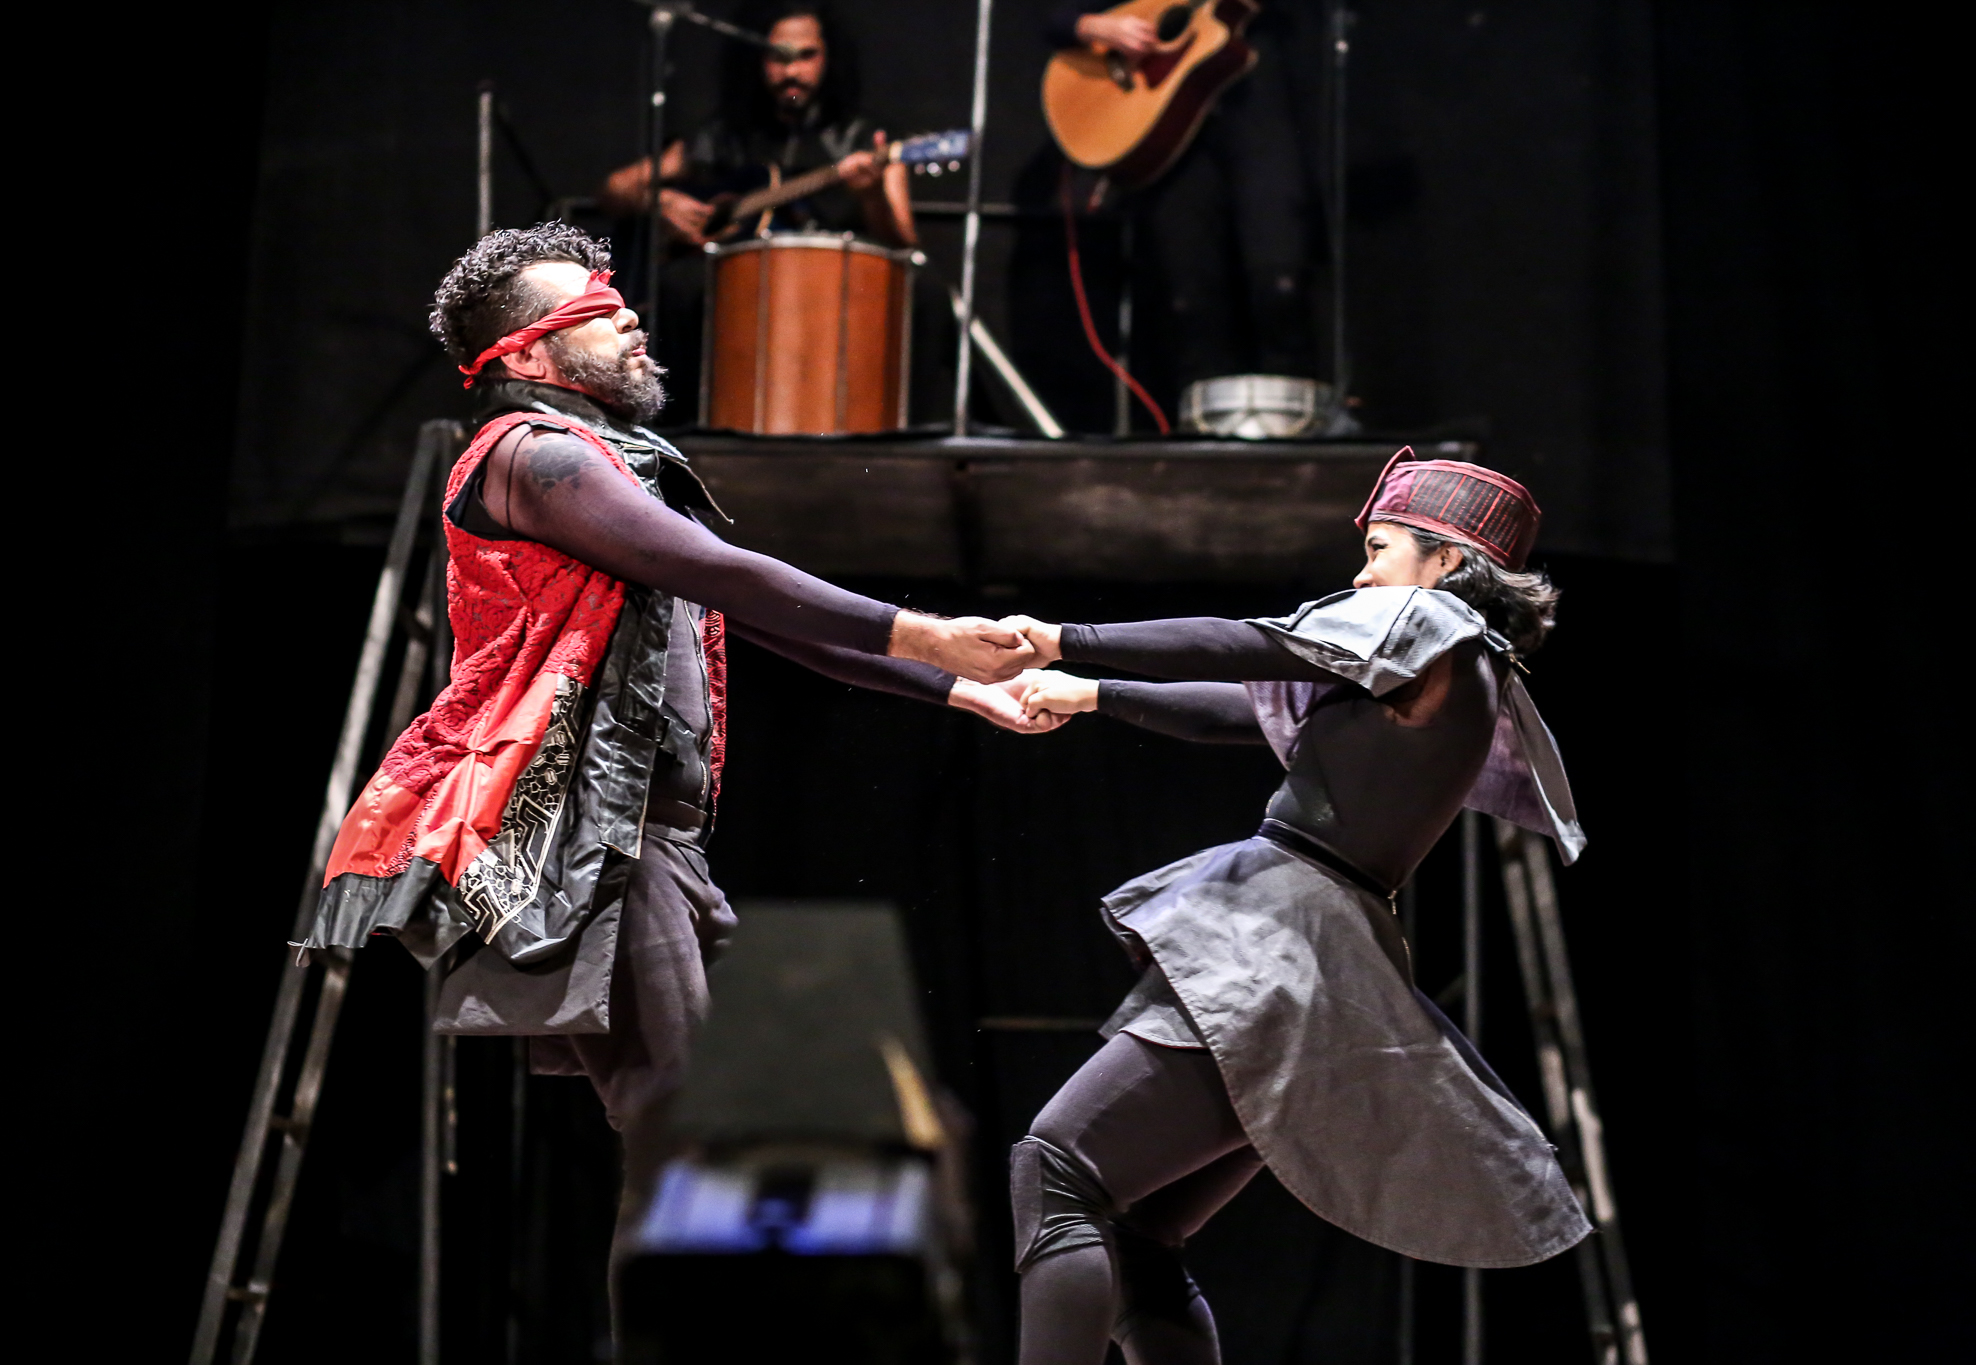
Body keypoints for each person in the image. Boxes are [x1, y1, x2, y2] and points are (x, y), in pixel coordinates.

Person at [301, 223, 1036, 1217]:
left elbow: (755, 611)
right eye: (595, 310)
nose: (629, 317)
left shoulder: (609, 463)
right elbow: (720, 569)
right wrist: (926, 634)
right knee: (684, 1134)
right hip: (602, 843)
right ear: (527, 357)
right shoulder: (526, 456)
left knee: (723, 1126)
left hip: (661, 846)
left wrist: (950, 685)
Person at [974, 451, 1590, 1363]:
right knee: (1141, 1237)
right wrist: (1095, 692)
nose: (1362, 576)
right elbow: (1241, 712)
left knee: (1058, 1169)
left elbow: (1245, 642)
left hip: (1281, 941)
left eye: (1379, 550)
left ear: (1448, 562)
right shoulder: (1455, 669)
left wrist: (1065, 637)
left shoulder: (1430, 621)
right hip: (1325, 960)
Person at [1046, 1, 1321, 396]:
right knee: (1191, 296)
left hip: (1257, 111)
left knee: (1278, 278)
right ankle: (1203, 422)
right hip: (1168, 128)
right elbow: (1052, 18)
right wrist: (1094, 26)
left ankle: (1296, 419)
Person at [601, 0, 916, 251]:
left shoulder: (866, 138)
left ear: (829, 58)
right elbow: (615, 188)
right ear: (757, 59)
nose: (792, 72)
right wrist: (660, 201)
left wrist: (873, 197)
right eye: (779, 57)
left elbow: (905, 243)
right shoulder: (723, 135)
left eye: (806, 56)